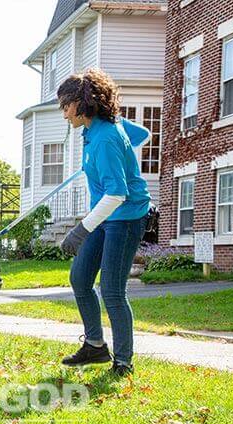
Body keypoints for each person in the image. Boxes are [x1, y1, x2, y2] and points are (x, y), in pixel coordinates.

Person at [56, 68, 151, 377]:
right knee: (80, 278)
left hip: (124, 218)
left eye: (66, 105)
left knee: (112, 291)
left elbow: (118, 193)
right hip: (107, 213)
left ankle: (123, 362)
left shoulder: (104, 138)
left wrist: (81, 229)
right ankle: (95, 346)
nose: (64, 113)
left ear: (83, 103)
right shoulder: (100, 129)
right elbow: (143, 135)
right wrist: (123, 151)